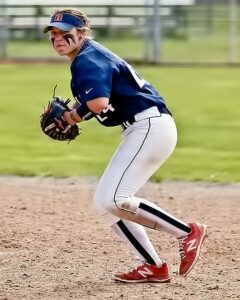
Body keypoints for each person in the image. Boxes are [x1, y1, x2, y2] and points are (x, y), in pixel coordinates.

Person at [43, 8, 207, 283]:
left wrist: (70, 117)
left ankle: (187, 232)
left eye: (65, 33)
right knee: (104, 204)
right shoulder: (88, 56)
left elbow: (98, 104)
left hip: (150, 127)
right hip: (143, 128)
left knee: (115, 199)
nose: (58, 39)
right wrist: (74, 113)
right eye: (54, 34)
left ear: (82, 33)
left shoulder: (88, 59)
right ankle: (152, 265)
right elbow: (101, 99)